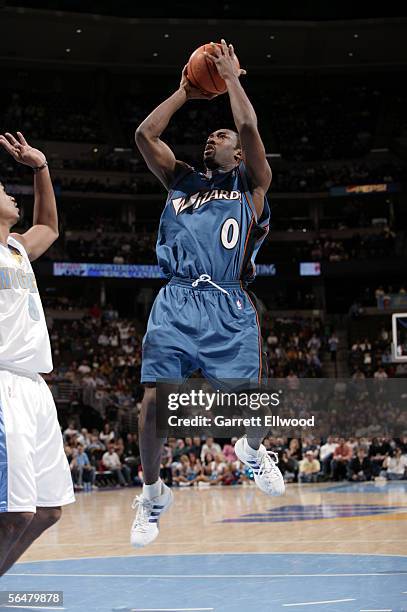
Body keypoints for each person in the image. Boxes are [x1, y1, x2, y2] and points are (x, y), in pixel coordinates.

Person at [131, 39, 284, 548]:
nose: (212, 136)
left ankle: (253, 451)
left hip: (229, 304)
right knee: (152, 404)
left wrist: (232, 78)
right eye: (210, 132)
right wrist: (184, 92)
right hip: (176, 300)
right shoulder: (181, 180)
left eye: (220, 135)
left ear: (237, 154)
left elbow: (247, 126)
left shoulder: (252, 184)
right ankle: (153, 493)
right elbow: (145, 134)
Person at [0, 132, 75, 576]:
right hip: (3, 381)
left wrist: (41, 167)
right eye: (2, 192)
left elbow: (48, 226)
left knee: (48, 510)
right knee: (14, 514)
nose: (10, 194)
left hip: (34, 386)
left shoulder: (17, 247)